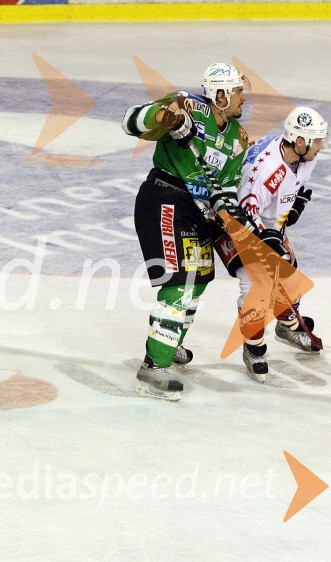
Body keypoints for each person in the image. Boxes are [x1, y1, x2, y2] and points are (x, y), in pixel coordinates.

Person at [121, 62, 254, 401]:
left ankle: (170, 340)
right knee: (180, 283)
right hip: (164, 198)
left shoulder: (238, 138)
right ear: (220, 94)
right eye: (238, 92)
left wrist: (231, 215)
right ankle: (153, 365)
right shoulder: (187, 104)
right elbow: (131, 121)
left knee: (199, 279)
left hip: (197, 212)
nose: (243, 99)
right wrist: (166, 119)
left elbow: (224, 187)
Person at [224, 107, 328, 382]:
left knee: (290, 275)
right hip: (238, 224)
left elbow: (296, 183)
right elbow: (244, 208)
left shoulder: (302, 155)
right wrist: (265, 237)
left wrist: (294, 204)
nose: (322, 146)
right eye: (317, 140)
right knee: (255, 290)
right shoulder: (266, 170)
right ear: (300, 141)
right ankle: (254, 348)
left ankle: (287, 326)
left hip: (269, 222)